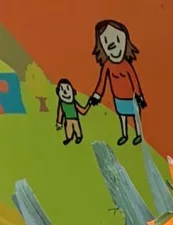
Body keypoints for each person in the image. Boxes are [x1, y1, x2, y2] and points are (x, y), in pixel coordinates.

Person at [88, 18, 146, 146]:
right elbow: (102, 82)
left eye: (118, 40)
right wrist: (96, 96)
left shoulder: (126, 65)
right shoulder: (107, 66)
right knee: (122, 116)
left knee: (135, 117)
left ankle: (138, 133)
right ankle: (124, 134)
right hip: (118, 98)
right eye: (107, 43)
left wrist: (140, 97)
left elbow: (135, 81)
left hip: (131, 98)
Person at [55, 78, 88, 145]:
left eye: (67, 89)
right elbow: (60, 114)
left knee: (77, 128)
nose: (65, 92)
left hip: (75, 119)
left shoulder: (74, 103)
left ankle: (79, 137)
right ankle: (69, 138)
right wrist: (59, 123)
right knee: (68, 129)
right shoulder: (62, 104)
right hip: (67, 119)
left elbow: (82, 110)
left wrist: (89, 104)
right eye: (62, 89)